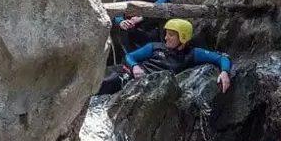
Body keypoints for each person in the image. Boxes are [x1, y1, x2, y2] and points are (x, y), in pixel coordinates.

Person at [96, 18, 231, 95]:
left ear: (183, 37)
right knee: (107, 82)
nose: (166, 38)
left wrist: (225, 72)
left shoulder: (193, 54)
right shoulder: (154, 47)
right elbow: (129, 57)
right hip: (130, 74)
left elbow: (222, 57)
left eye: (171, 35)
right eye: (166, 34)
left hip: (149, 86)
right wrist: (135, 66)